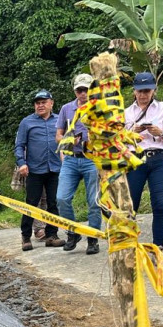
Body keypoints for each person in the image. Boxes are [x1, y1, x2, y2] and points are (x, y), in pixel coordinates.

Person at [124, 72, 163, 249]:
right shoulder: (127, 113)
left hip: (159, 158)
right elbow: (121, 141)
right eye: (139, 91)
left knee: (160, 203)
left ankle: (158, 246)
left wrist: (160, 133)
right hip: (136, 160)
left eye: (146, 91)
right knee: (131, 204)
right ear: (134, 91)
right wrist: (134, 133)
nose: (143, 95)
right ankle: (129, 244)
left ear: (154, 90)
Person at [55, 73, 101, 255]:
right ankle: (72, 232)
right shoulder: (66, 109)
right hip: (71, 159)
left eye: (86, 90)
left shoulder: (99, 108)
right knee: (62, 198)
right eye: (79, 90)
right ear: (75, 91)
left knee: (94, 202)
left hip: (92, 159)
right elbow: (58, 135)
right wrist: (70, 140)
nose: (83, 93)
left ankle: (93, 237)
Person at [15, 89, 65, 251]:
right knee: (31, 203)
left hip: (55, 168)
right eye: (38, 103)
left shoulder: (60, 120)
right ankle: (25, 236)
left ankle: (51, 235)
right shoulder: (26, 122)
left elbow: (67, 141)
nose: (40, 105)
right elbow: (19, 145)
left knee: (53, 203)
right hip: (34, 170)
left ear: (51, 103)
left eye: (44, 102)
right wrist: (22, 163)